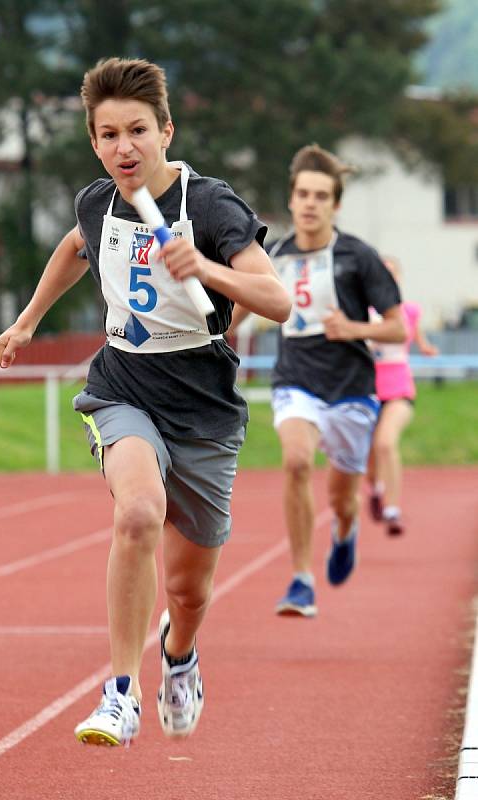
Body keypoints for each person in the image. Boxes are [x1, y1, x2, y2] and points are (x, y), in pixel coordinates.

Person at [0, 57, 290, 746]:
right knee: (137, 514)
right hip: (124, 387)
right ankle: (119, 694)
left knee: (188, 594)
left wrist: (203, 265)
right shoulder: (97, 202)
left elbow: (277, 300)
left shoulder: (209, 206)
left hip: (204, 406)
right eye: (109, 134)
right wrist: (28, 320)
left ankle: (178, 654)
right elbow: (75, 247)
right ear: (94, 142)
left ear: (166, 132)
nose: (125, 147)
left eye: (138, 131)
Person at [228, 144, 405, 618]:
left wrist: (355, 329)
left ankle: (345, 532)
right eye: (303, 194)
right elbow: (238, 310)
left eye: (321, 196)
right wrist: (213, 334)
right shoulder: (274, 255)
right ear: (290, 200)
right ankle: (301, 579)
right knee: (296, 462)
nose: (310, 203)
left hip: (351, 388)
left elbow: (397, 327)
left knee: (342, 499)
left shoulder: (358, 256)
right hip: (296, 379)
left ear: (336, 204)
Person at [366, 256, 439, 536]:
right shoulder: (362, 312)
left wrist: (427, 348)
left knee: (386, 443)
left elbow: (419, 340)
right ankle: (376, 487)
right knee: (370, 459)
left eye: (393, 273)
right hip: (368, 389)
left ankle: (393, 509)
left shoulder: (409, 311)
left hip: (399, 388)